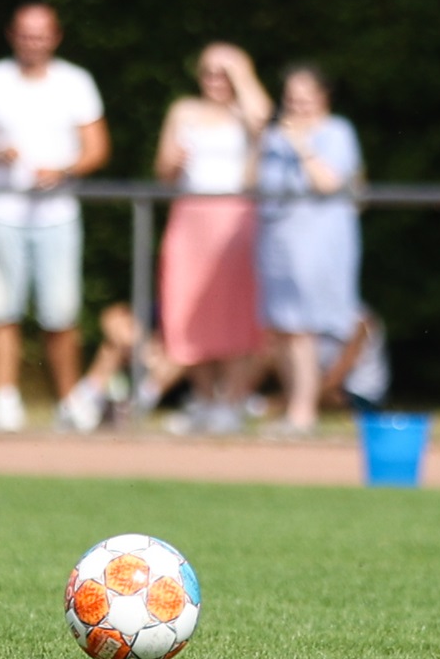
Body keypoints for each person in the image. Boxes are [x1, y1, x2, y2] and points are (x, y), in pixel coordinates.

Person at [0, 3, 110, 433]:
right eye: (25, 33)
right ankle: (5, 398)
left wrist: (63, 171)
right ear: (12, 35)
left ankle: (68, 400)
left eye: (41, 34)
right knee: (1, 310)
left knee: (61, 313)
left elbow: (97, 148)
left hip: (56, 213)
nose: (33, 41)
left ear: (55, 37)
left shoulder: (76, 82)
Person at [144, 42, 271, 433]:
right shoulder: (183, 111)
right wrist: (172, 164)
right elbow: (162, 171)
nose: (216, 81)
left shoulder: (245, 113)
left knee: (234, 311)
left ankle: (230, 401)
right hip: (189, 218)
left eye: (225, 74)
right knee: (184, 308)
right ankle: (203, 399)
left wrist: (241, 72)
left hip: (234, 219)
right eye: (209, 72)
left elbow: (263, 117)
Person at [254, 63, 365, 435]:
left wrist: (301, 146)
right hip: (278, 241)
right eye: (291, 99)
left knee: (303, 327)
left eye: (306, 98)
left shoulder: (338, 132)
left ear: (323, 97)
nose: (297, 106)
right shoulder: (272, 136)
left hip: (318, 243)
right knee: (281, 328)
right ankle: (295, 409)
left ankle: (303, 413)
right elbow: (252, 184)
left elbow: (328, 183)